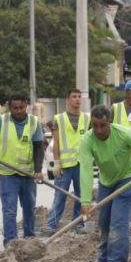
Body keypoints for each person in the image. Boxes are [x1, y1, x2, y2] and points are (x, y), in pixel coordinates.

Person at [79, 105, 131, 262]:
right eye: (95, 125)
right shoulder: (87, 140)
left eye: (102, 125)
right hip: (106, 181)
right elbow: (85, 170)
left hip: (127, 178)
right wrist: (85, 201)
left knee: (118, 222)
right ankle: (103, 260)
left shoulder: (123, 133)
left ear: (110, 123)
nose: (98, 130)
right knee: (104, 222)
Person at [0, 95, 44, 247]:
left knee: (29, 208)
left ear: (26, 106)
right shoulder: (1, 121)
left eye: (21, 108)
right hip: (8, 174)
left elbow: (38, 148)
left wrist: (38, 170)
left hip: (28, 175)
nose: (18, 111)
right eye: (15, 108)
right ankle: (11, 242)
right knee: (9, 210)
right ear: (10, 108)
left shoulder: (34, 123)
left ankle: (30, 239)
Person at [40, 89, 90, 236]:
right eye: (74, 97)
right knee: (60, 195)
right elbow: (57, 143)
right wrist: (56, 162)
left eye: (79, 97)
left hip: (82, 164)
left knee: (82, 196)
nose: (77, 99)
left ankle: (79, 224)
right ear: (68, 99)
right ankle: (51, 225)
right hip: (65, 166)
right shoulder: (59, 119)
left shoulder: (87, 119)